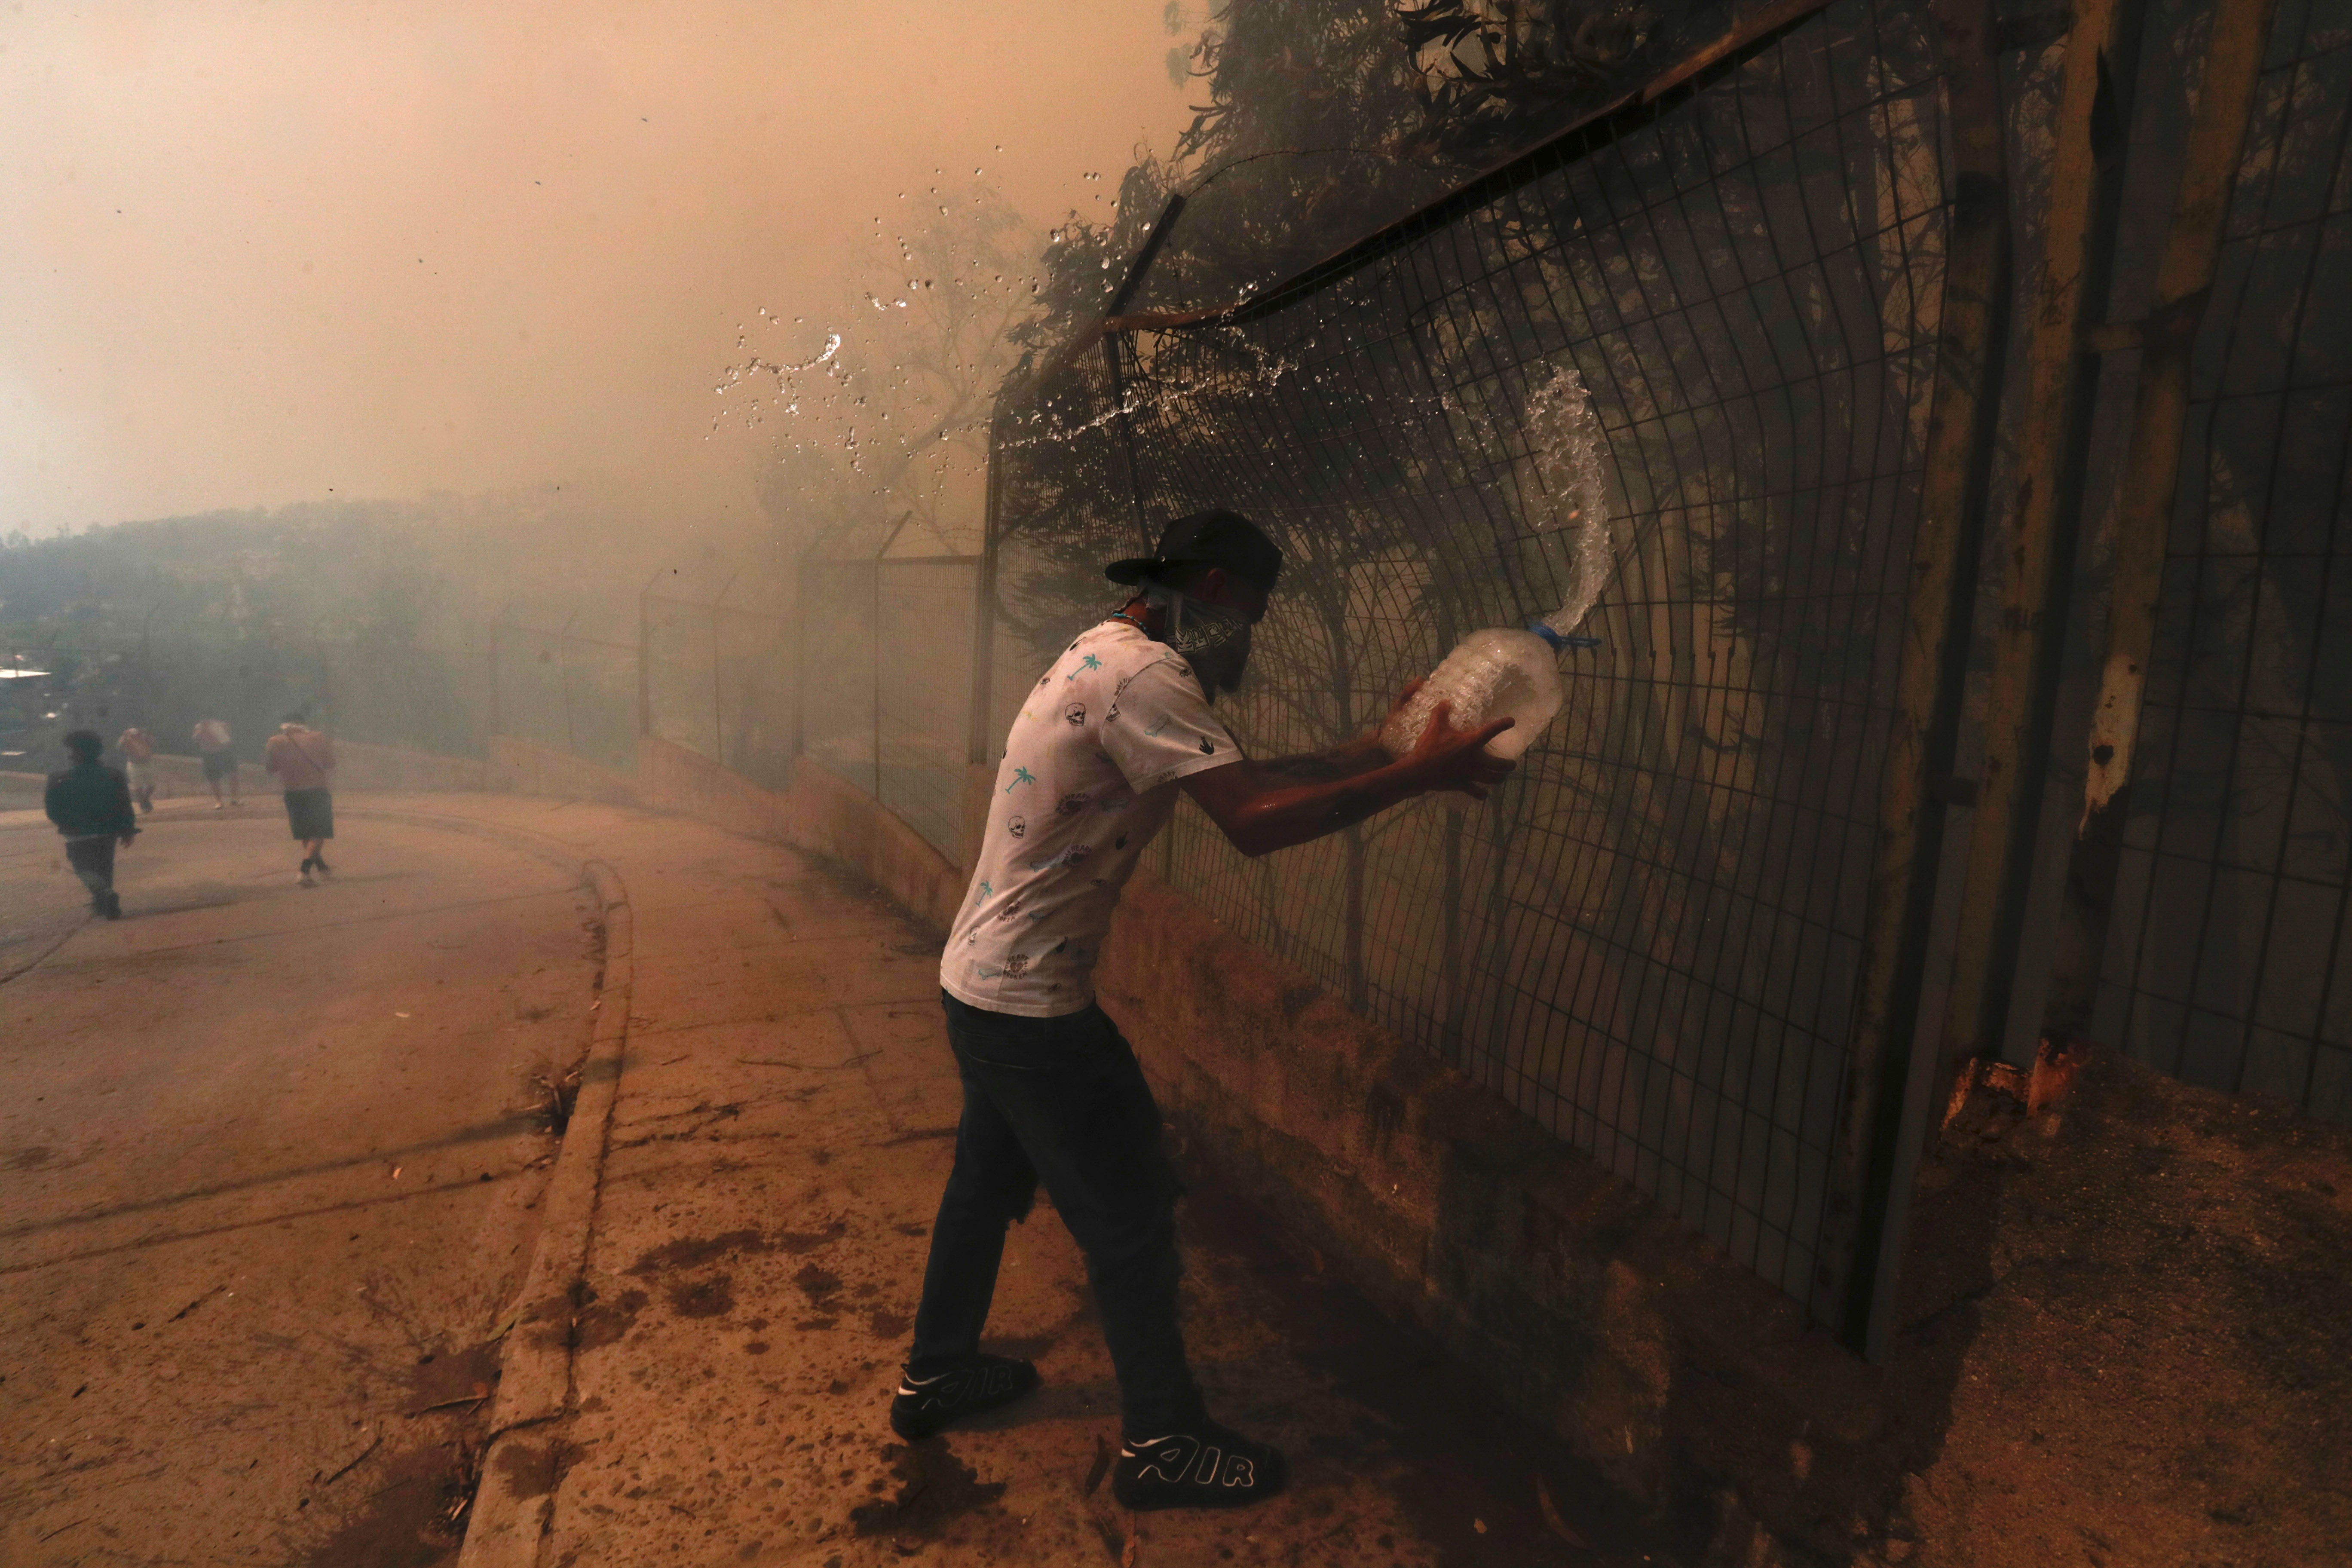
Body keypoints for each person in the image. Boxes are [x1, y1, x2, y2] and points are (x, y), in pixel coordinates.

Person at [893, 509, 1515, 1512]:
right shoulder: (1146, 678)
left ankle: (936, 1370)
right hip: (1031, 1006)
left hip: (982, 983)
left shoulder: (1107, 652)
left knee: (983, 1184)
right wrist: (1416, 778)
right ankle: (1162, 1442)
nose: (1251, 640)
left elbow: (1245, 778)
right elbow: (1255, 823)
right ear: (1222, 595)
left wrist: (1381, 747)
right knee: (1130, 1211)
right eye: (1254, 616)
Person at [44, 729, 138, 920]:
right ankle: (105, 901)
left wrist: (64, 823)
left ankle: (104, 895)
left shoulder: (59, 778)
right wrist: (127, 829)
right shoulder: (114, 775)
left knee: (84, 869)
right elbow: (124, 805)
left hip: (77, 833)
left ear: (75, 753)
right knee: (105, 867)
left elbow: (53, 810)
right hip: (108, 831)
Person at [264, 716, 336, 887]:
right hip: (316, 790)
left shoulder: (275, 742)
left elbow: (270, 768)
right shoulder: (318, 738)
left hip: (293, 792)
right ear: (303, 724)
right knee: (318, 833)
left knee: (305, 833)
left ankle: (323, 868)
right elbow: (330, 763)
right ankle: (304, 871)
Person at [193, 717, 240, 807]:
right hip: (209, 754)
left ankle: (234, 798)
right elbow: (196, 740)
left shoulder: (219, 725)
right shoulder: (199, 728)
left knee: (233, 774)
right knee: (213, 779)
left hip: (224, 752)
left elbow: (226, 741)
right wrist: (203, 731)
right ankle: (219, 801)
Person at [118, 725, 157, 813]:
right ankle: (144, 804)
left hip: (147, 763)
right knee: (138, 788)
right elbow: (119, 747)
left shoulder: (145, 738)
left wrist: (147, 736)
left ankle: (145, 800)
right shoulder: (126, 740)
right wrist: (125, 738)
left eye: (137, 735)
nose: (135, 737)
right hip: (133, 765)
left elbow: (153, 743)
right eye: (133, 736)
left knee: (151, 786)